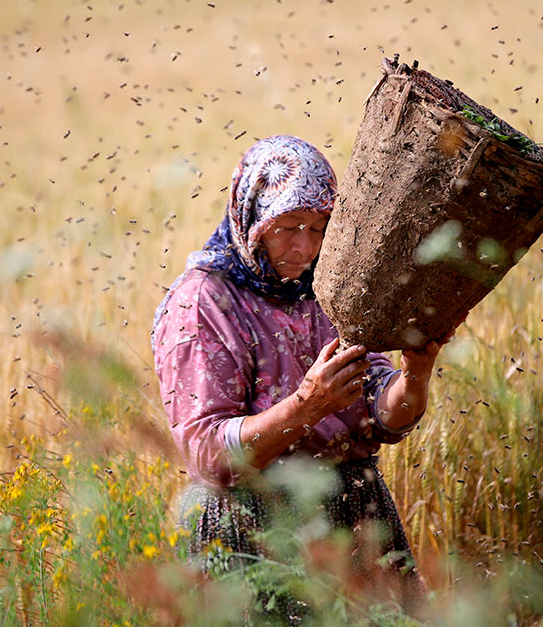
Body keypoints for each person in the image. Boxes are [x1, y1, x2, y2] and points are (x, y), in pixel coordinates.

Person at [151, 135, 452, 618]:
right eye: (289, 227)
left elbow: (382, 419)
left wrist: (415, 374)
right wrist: (306, 407)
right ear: (252, 218)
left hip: (354, 517)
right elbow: (208, 452)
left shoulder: (328, 290)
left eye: (318, 228)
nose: (305, 246)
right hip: (250, 531)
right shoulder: (203, 303)